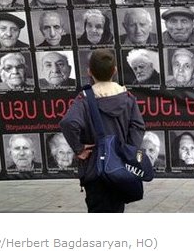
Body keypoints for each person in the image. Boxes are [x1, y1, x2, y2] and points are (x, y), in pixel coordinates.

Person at [60, 48, 146, 213]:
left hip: (95, 169)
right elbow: (138, 126)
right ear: (115, 71)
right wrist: (128, 150)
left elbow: (68, 122)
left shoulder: (84, 99)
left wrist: (79, 149)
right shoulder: (127, 98)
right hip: (121, 167)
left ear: (89, 72)